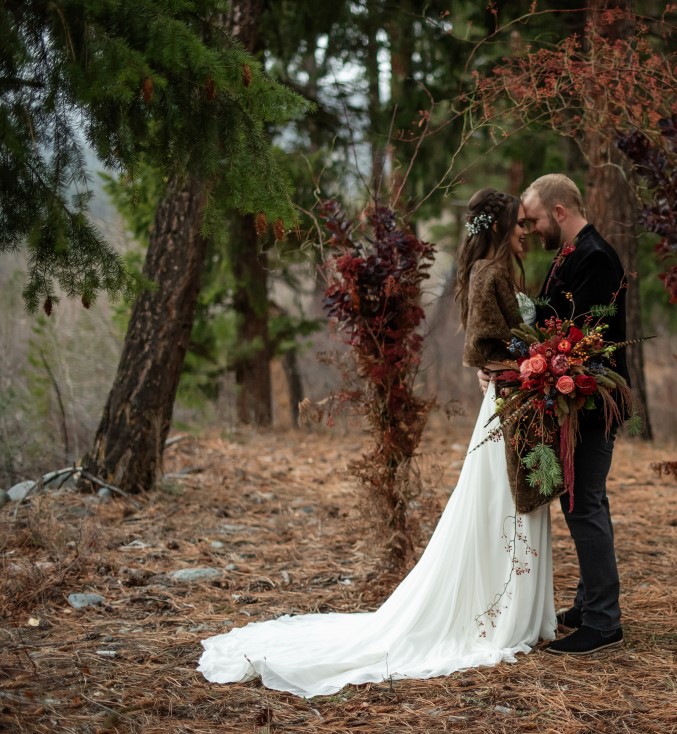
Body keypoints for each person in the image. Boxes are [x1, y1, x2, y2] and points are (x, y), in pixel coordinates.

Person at [197, 189, 557, 698]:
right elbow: (481, 345)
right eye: (519, 224)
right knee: (501, 505)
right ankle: (498, 616)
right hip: (508, 402)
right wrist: (530, 365)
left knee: (512, 503)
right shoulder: (488, 274)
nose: (526, 232)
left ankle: (516, 611)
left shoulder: (503, 273)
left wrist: (536, 361)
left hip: (516, 400)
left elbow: (498, 344)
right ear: (499, 227)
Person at [481, 173, 629, 655]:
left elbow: (578, 338)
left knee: (584, 504)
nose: (530, 229)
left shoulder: (596, 257)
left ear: (559, 212)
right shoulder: (571, 254)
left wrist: (530, 364)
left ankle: (604, 622)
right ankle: (588, 606)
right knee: (584, 501)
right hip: (576, 402)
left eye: (535, 219)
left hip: (592, 402)